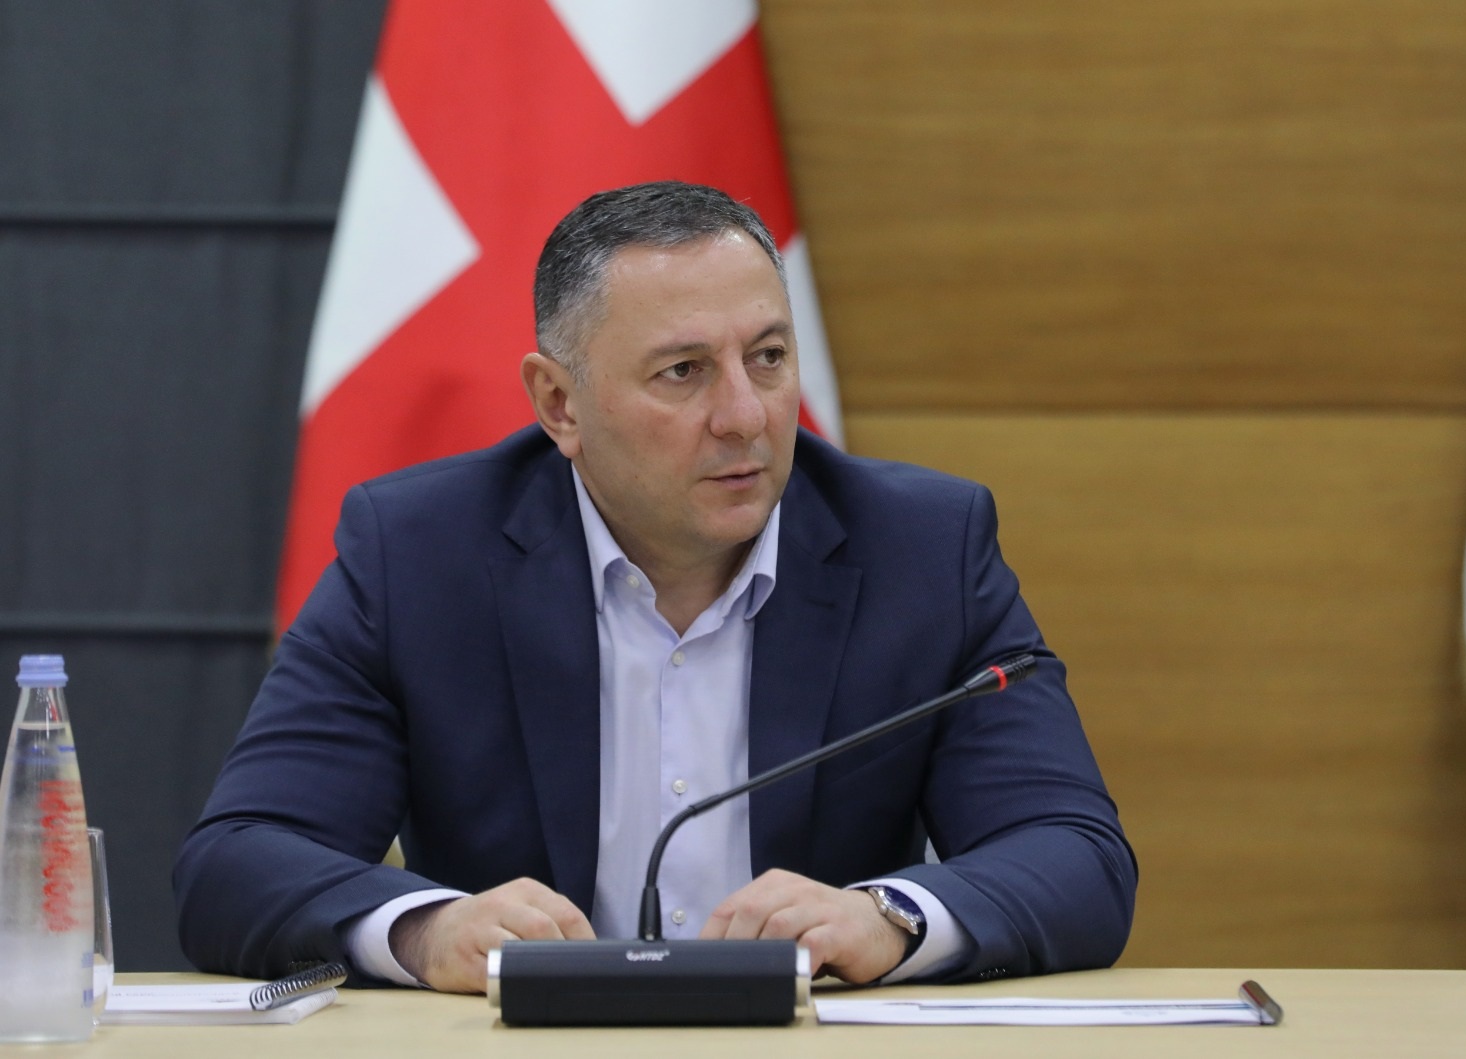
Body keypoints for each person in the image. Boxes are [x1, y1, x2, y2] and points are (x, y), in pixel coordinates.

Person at [174, 181, 1136, 993]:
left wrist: (889, 916)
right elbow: (236, 862)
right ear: (560, 404)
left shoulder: (922, 550)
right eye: (684, 371)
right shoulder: (420, 554)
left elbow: (1076, 854)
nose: (746, 415)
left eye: (768, 357)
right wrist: (427, 930)